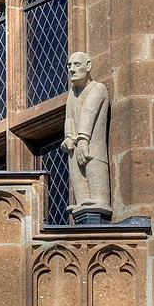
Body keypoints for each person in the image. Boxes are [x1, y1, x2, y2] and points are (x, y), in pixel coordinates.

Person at [61, 52, 111, 215]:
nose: (72, 70)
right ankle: (82, 201)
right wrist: (69, 136)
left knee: (94, 163)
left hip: (91, 142)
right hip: (76, 143)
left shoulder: (97, 88)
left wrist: (83, 139)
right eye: (69, 66)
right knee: (76, 169)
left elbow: (89, 113)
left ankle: (99, 200)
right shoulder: (72, 93)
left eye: (77, 65)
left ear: (88, 66)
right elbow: (69, 117)